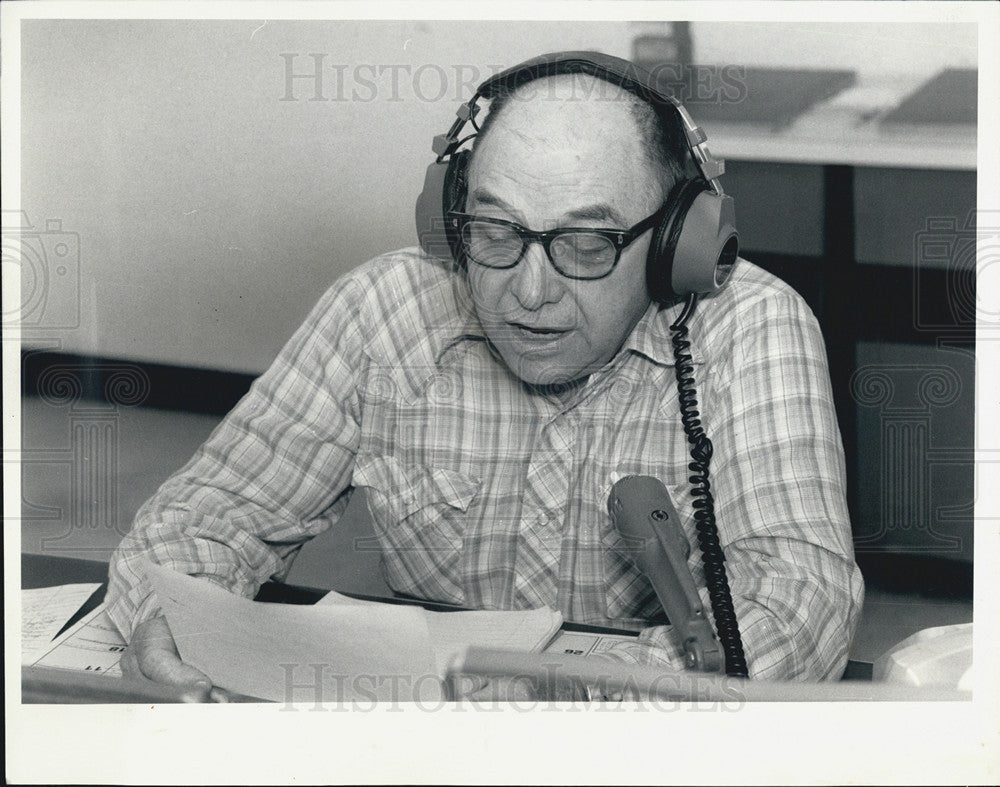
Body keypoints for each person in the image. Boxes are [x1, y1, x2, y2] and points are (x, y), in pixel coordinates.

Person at [108, 52, 864, 695]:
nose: (530, 291)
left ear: (678, 243)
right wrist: (178, 614)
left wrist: (576, 697)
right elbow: (206, 515)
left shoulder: (750, 328)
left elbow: (802, 603)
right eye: (495, 230)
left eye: (588, 243)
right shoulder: (386, 307)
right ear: (450, 217)